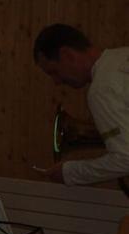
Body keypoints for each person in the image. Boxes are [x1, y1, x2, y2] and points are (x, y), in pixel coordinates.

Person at [33, 23, 129, 185]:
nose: (57, 81)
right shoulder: (123, 55)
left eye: (54, 71)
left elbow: (126, 158)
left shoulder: (102, 89)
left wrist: (69, 172)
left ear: (67, 55)